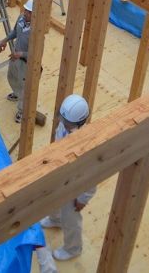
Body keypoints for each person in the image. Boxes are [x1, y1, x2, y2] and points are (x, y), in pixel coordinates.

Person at [40, 95, 95, 262]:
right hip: (61, 174)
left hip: (75, 186)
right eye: (61, 118)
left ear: (79, 122)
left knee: (70, 218)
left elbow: (92, 175)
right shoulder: (64, 125)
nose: (62, 122)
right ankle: (55, 219)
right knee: (53, 199)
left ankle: (73, 248)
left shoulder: (85, 144)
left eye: (67, 122)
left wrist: (83, 198)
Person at [0, 0, 33, 123]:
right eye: (25, 10)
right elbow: (14, 32)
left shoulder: (36, 31)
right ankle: (16, 94)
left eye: (28, 12)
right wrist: (5, 40)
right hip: (15, 56)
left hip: (26, 62)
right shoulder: (21, 19)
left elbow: (35, 54)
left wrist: (21, 54)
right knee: (11, 76)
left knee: (24, 87)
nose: (24, 12)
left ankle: (22, 111)